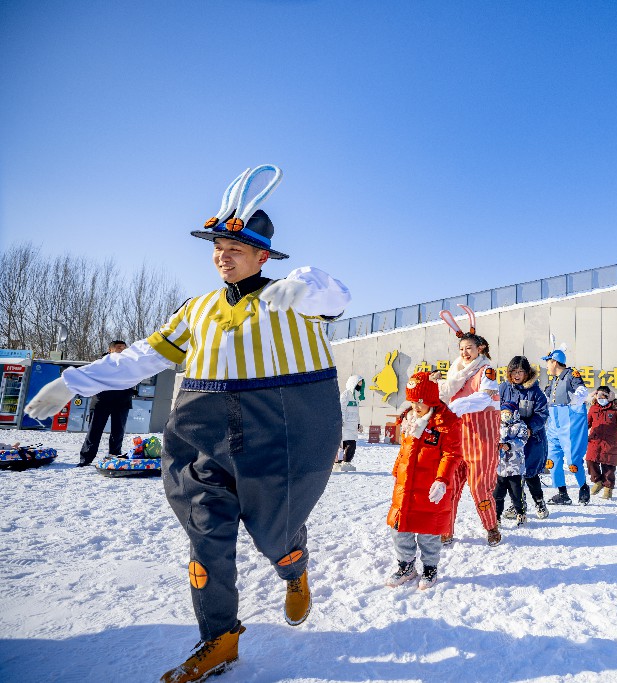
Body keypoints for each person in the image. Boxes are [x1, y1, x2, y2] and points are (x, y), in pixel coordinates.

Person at [25, 165, 351, 683]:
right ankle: (219, 637)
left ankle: (292, 566)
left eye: (235, 248)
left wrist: (304, 289)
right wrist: (76, 381)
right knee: (205, 530)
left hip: (280, 428)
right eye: (218, 247)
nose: (223, 256)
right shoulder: (195, 310)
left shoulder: (293, 297)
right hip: (202, 427)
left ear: (263, 257)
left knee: (275, 527)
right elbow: (143, 356)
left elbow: (335, 296)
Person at [385, 372, 463, 590]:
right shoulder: (409, 419)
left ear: (431, 399)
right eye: (412, 401)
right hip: (405, 486)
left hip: (431, 488)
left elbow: (452, 454)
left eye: (420, 401)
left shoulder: (445, 423)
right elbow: (404, 451)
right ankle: (406, 566)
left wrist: (442, 480)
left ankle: (430, 568)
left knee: (429, 532)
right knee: (400, 529)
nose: (415, 406)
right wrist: (397, 472)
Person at [434, 306, 502, 546]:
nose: (464, 353)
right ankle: (446, 529)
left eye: (469, 348)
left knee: (479, 488)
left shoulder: (487, 371)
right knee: (450, 486)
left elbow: (485, 398)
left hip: (482, 439)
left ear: (479, 348)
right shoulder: (455, 374)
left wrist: (457, 406)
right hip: (457, 438)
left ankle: (491, 526)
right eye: (461, 349)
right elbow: (443, 398)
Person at [498, 356, 550, 519]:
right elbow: (494, 408)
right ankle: (518, 504)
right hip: (509, 439)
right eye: (513, 371)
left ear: (527, 373)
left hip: (531, 439)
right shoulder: (503, 388)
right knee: (512, 475)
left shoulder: (535, 392)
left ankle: (539, 502)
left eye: (520, 371)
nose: (517, 375)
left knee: (530, 473)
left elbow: (542, 414)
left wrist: (530, 428)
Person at [542, 348, 590, 505]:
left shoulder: (571, 374)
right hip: (553, 422)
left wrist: (577, 398)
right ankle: (562, 493)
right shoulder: (554, 380)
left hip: (568, 421)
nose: (546, 366)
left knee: (572, 459)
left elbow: (581, 389)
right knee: (552, 458)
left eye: (548, 362)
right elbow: (545, 396)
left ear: (554, 362)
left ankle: (583, 486)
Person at [76, 340, 133, 467]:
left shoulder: (130, 364)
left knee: (118, 432)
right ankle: (86, 459)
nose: (122, 350)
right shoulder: (100, 364)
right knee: (94, 431)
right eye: (119, 347)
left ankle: (115, 457)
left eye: (124, 348)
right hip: (101, 401)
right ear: (110, 350)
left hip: (122, 401)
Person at [585, 385, 617, 500]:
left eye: (603, 396)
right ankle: (598, 481)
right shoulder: (593, 408)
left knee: (608, 466)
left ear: (609, 396)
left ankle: (608, 489)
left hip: (609, 442)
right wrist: (579, 432)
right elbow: (587, 423)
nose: (600, 399)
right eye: (598, 396)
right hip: (594, 441)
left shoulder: (616, 409)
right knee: (590, 461)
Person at [494, 402, 530, 526]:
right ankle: (496, 517)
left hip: (515, 468)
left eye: (507, 413)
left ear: (514, 413)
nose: (505, 415)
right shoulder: (497, 425)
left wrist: (509, 445)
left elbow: (522, 440)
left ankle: (521, 513)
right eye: (503, 413)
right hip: (500, 468)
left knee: (516, 494)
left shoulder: (520, 426)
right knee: (497, 495)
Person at [334, 374, 365, 472]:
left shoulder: (356, 396)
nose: (360, 384)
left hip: (353, 426)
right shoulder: (346, 395)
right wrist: (341, 421)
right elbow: (341, 409)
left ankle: (346, 462)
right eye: (359, 382)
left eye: (361, 382)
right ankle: (338, 463)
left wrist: (358, 424)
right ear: (353, 383)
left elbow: (356, 412)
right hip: (346, 425)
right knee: (343, 445)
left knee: (351, 444)